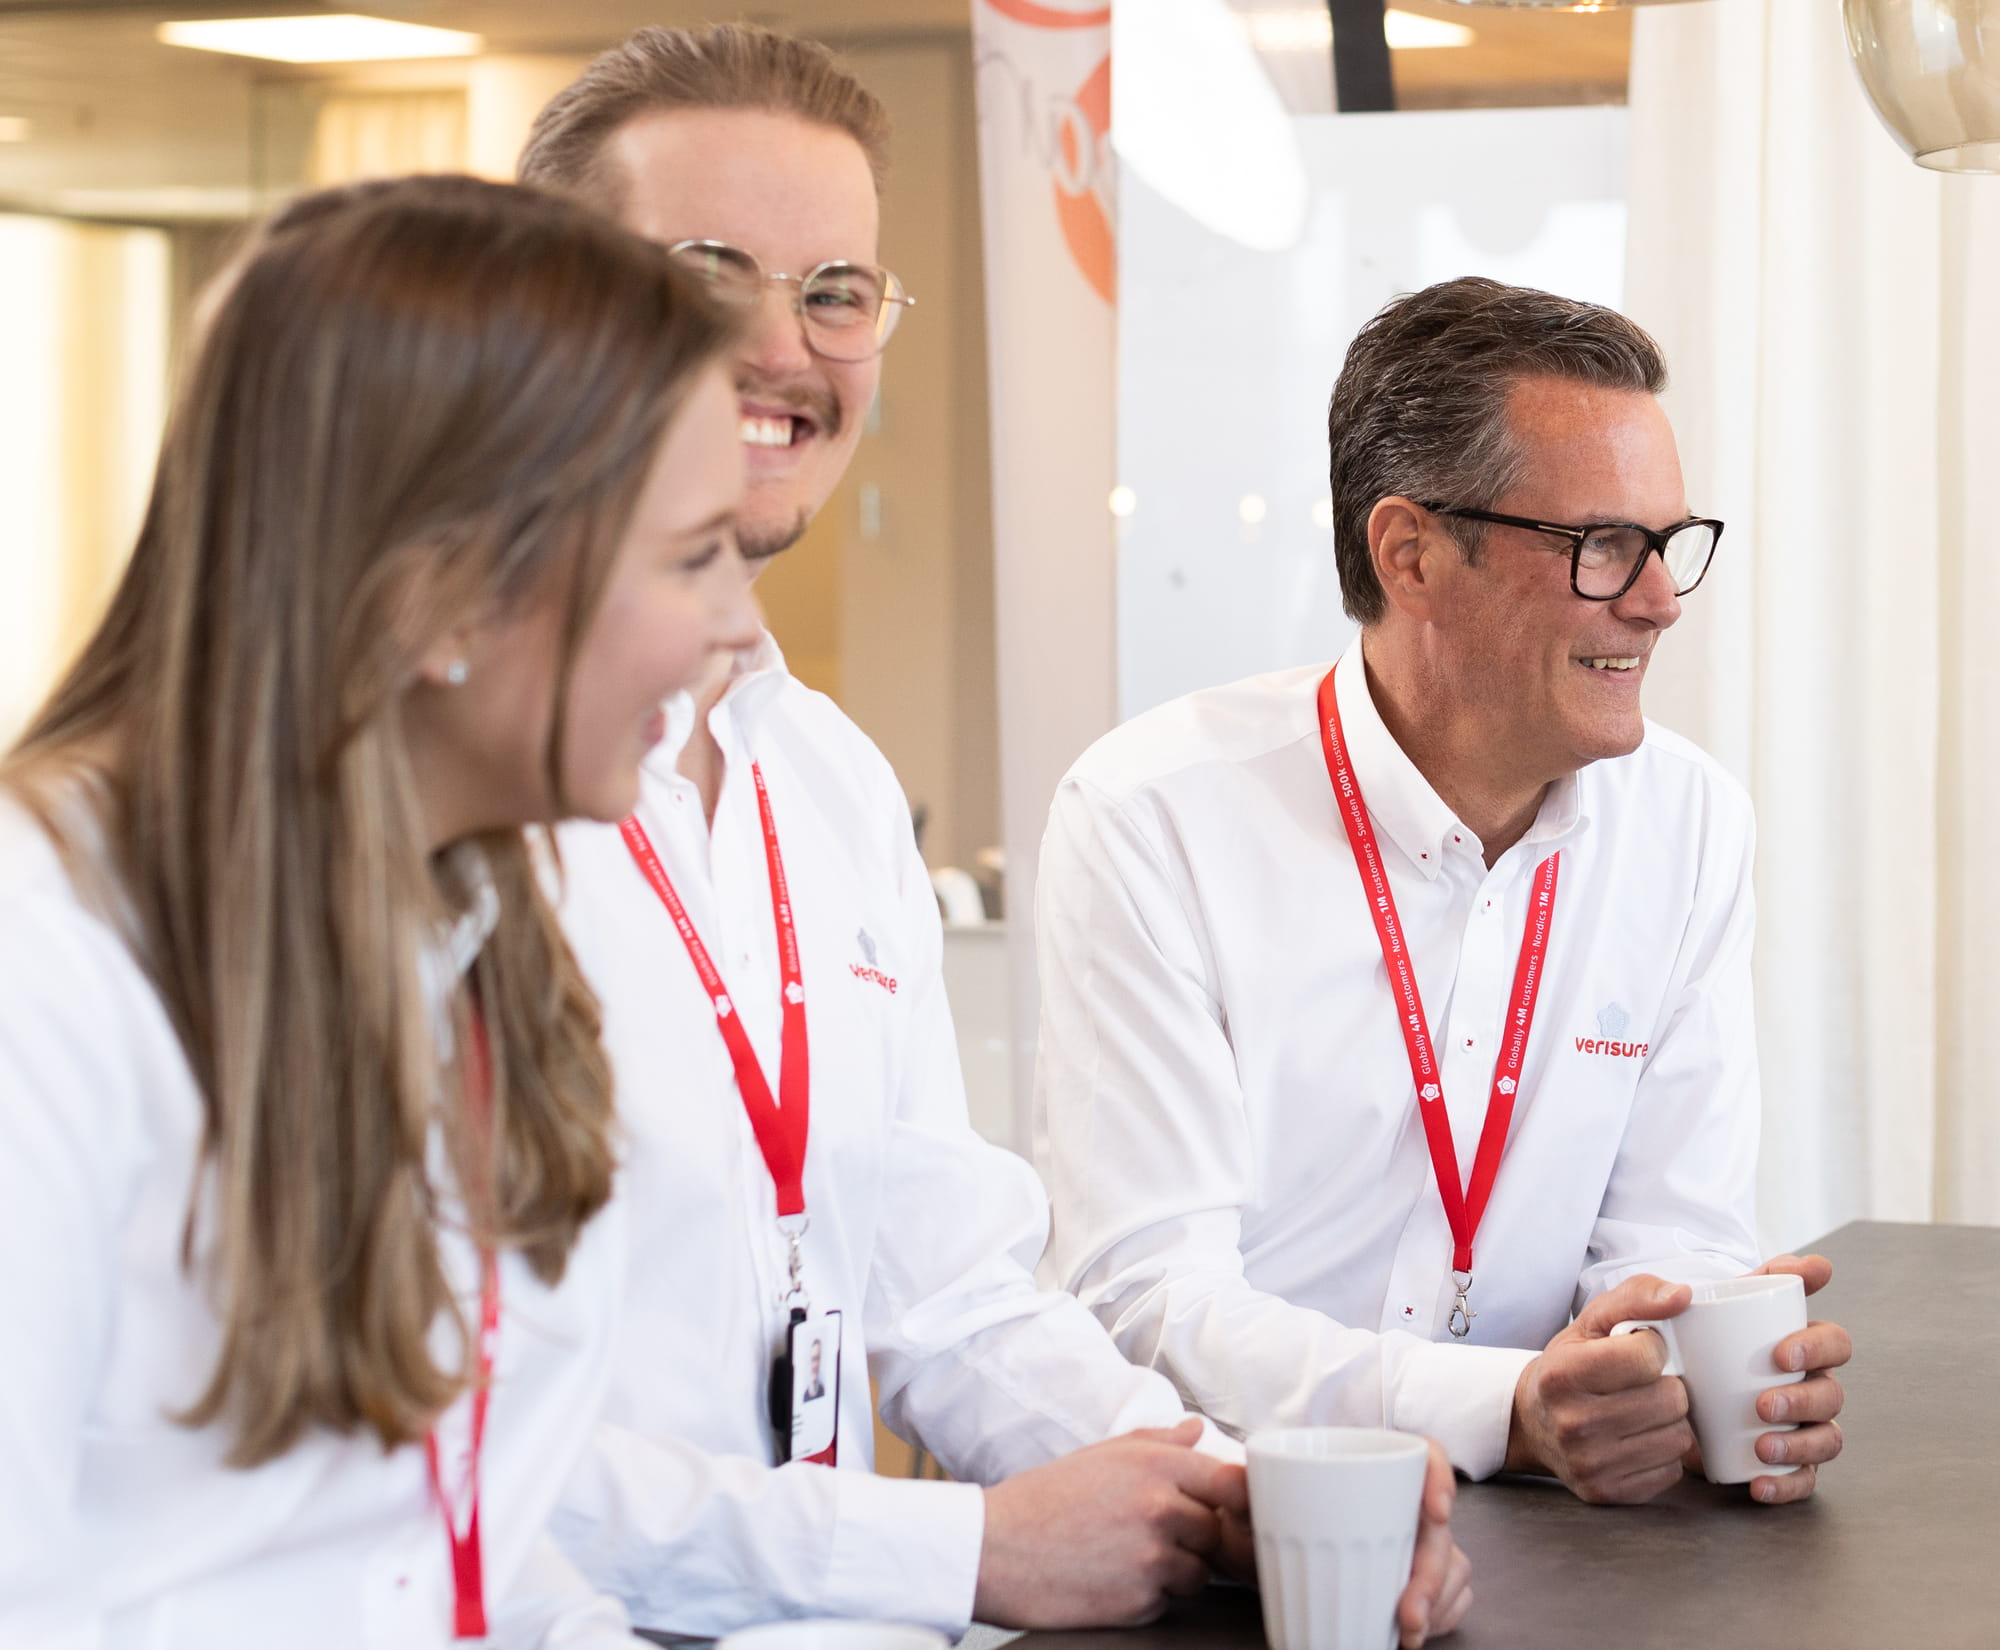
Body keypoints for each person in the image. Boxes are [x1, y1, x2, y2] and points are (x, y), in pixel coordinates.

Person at [520, 24, 1467, 1643]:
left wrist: (1236, 1490)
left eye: (834, 292)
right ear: (532, 309)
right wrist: (947, 1555)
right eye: (703, 273)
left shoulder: (819, 779)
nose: (783, 344)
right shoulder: (423, 795)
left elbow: (944, 1290)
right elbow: (436, 1457)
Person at [0, 173, 760, 1647]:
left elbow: (438, 1537)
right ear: (444, 601)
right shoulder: (48, 962)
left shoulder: (469, 912)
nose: (738, 619)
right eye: (691, 554)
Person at [1033, 277, 1852, 1508]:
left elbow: (1673, 1231)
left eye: (1667, 542)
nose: (1658, 600)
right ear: (1409, 556)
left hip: (1562, 1541)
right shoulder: (1153, 816)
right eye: (1599, 546)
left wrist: (1655, 1363)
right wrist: (1501, 1410)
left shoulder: (1685, 825)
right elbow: (1147, 1301)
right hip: (1239, 1530)